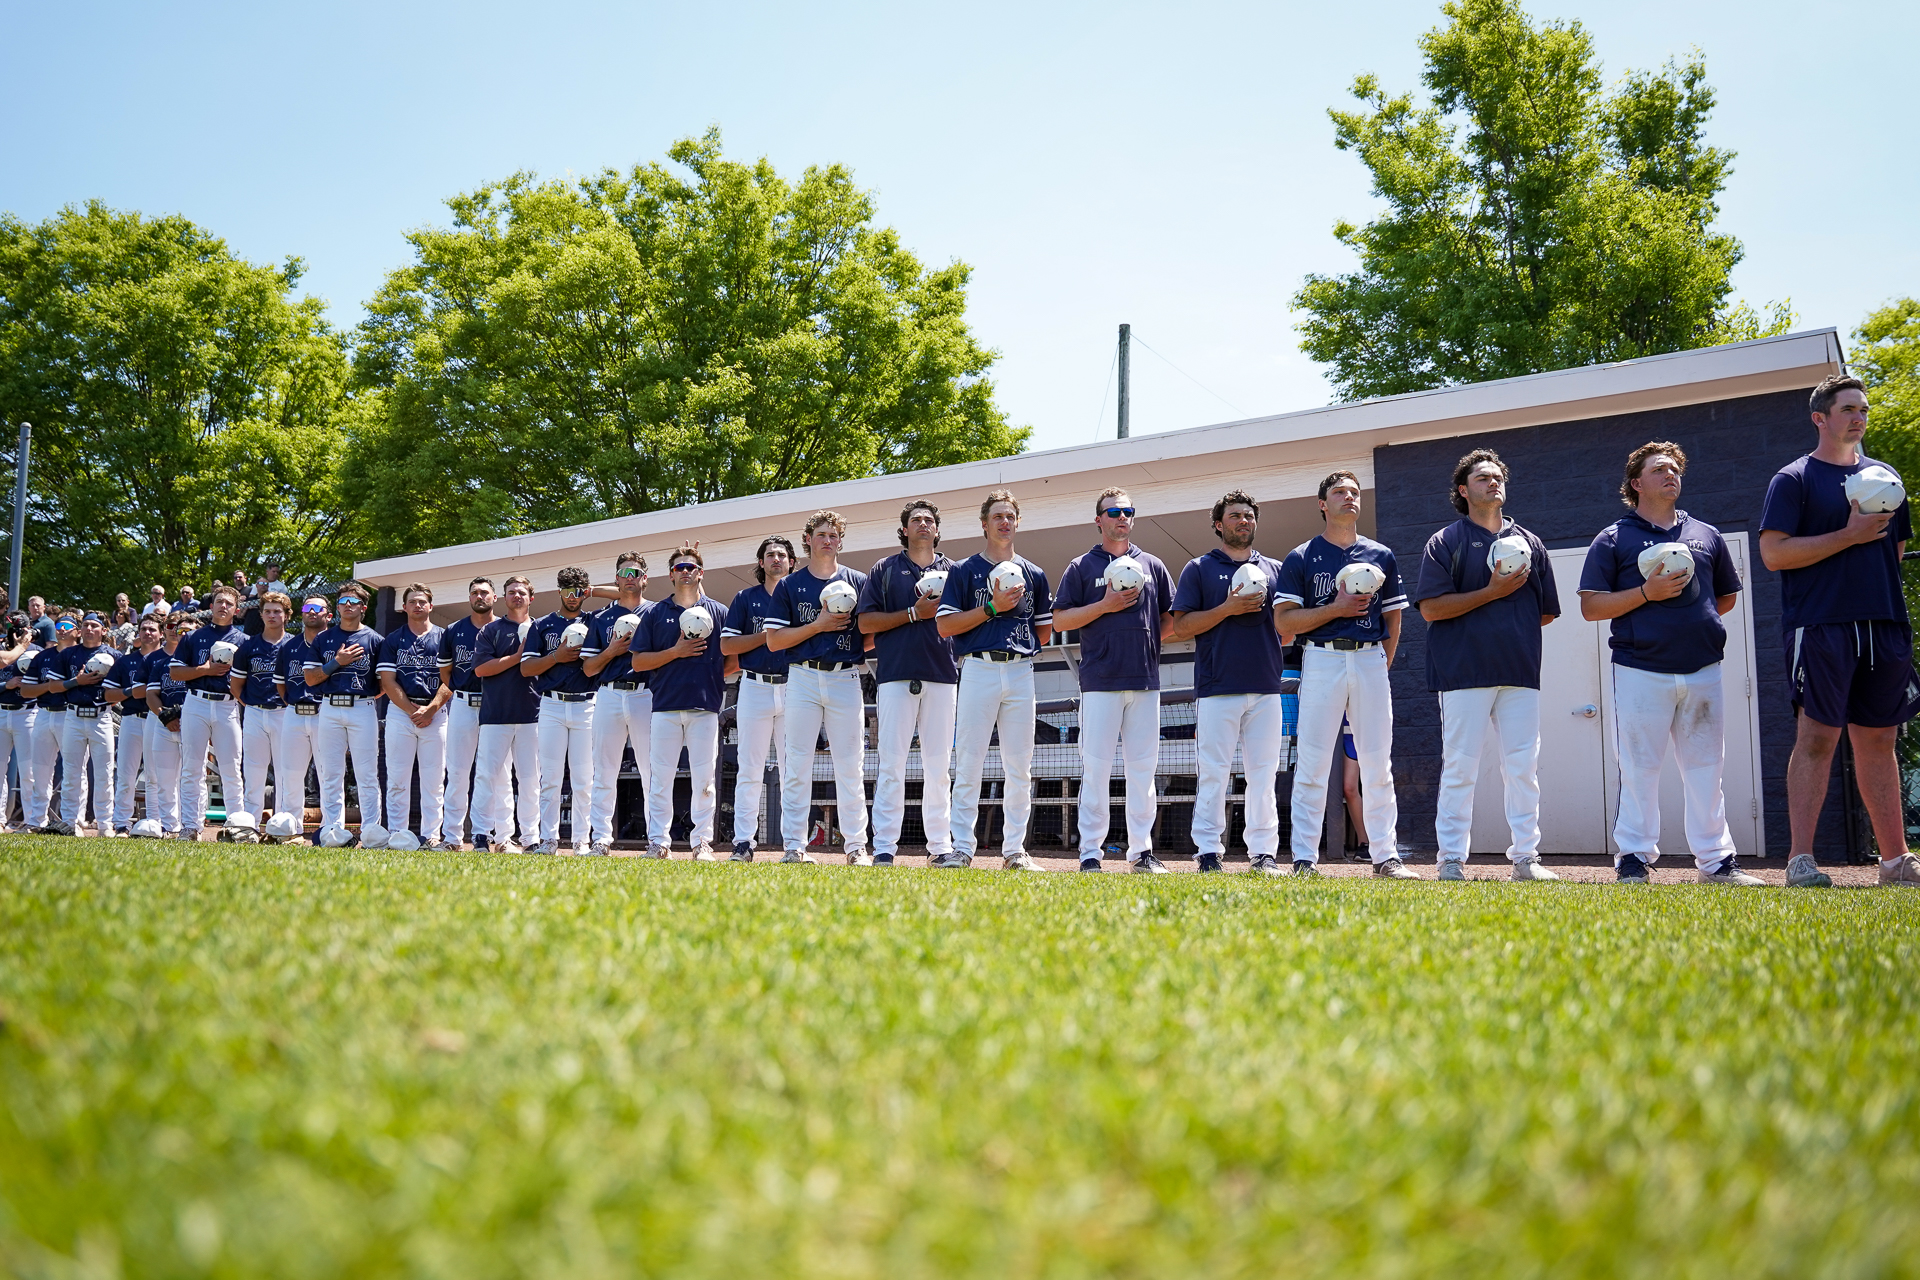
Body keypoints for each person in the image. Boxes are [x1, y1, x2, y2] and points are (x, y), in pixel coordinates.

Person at [1760, 374, 1919, 887]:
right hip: (1821, 624)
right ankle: (1801, 862)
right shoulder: (1794, 479)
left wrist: (1861, 545)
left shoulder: (1886, 477)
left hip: (1884, 624)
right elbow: (1774, 554)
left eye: (1864, 409)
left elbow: (1893, 553)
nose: (1859, 417)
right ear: (1820, 418)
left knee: (1879, 740)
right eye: (1848, 408)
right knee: (1817, 738)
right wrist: (1848, 536)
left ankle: (1896, 863)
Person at [1580, 442, 1755, 885]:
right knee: (1639, 768)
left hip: (1703, 669)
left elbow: (1726, 597)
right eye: (1660, 469)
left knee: (1706, 768)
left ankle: (1716, 862)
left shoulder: (1707, 535)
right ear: (1636, 483)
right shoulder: (1613, 538)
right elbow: (1592, 607)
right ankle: (1634, 860)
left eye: (1675, 468)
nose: (1671, 474)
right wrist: (1646, 595)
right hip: (1640, 669)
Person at [1413, 449, 1562, 882]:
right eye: (1482, 478)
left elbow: (1545, 611)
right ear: (1463, 490)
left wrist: (1505, 627)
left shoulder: (1531, 543)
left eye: (1497, 476)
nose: (1493, 482)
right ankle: (1452, 861)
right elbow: (1432, 610)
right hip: (1463, 674)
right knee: (1460, 768)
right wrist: (1492, 594)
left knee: (1523, 768)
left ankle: (1526, 860)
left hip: (1519, 673)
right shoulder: (1445, 542)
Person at [1275, 472, 1414, 878]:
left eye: (1354, 492)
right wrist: (1335, 608)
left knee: (1377, 762)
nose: (1349, 497)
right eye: (1339, 492)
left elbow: (1393, 615)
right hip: (1321, 658)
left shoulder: (1380, 554)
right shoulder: (1302, 556)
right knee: (1314, 761)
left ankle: (1386, 855)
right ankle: (1304, 858)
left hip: (1369, 657)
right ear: (1323, 503)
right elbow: (1284, 620)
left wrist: (1381, 662)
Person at [1052, 488, 1176, 873]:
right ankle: (1091, 853)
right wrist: (1104, 606)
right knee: (1097, 770)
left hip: (1144, 680)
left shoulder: (1153, 565)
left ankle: (1142, 852)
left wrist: (1147, 635)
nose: (1122, 517)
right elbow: (1059, 621)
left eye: (1128, 511)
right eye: (1114, 512)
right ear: (1099, 520)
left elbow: (1172, 619)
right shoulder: (1080, 566)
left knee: (1143, 772)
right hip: (1099, 681)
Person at [1167, 490, 1289, 876]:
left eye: (1249, 516)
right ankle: (1207, 852)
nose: (1243, 521)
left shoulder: (1275, 568)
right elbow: (1181, 626)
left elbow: (1285, 629)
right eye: (1235, 516)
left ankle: (1263, 855)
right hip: (1217, 687)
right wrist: (1228, 608)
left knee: (1264, 773)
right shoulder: (1199, 568)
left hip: (1267, 687)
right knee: (1214, 772)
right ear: (1219, 524)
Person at [938, 490, 1055, 870]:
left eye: (1010, 516)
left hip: (1021, 670)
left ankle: (1015, 851)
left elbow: (1043, 634)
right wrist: (992, 608)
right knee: (969, 762)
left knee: (1019, 765)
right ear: (984, 523)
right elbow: (944, 625)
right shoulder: (963, 570)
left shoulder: (1035, 573)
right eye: (997, 516)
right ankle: (962, 849)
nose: (1004, 522)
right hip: (979, 668)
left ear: (1017, 522)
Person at [764, 511, 872, 865]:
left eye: (834, 534)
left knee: (851, 765)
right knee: (796, 764)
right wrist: (819, 625)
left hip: (845, 676)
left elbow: (870, 635)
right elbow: (775, 641)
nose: (828, 539)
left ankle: (856, 847)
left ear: (841, 540)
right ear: (807, 539)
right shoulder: (790, 585)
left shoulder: (858, 580)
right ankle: (794, 846)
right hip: (803, 677)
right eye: (821, 533)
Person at [857, 504, 959, 867]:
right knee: (891, 764)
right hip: (896, 675)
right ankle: (884, 847)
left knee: (938, 765)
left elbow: (965, 622)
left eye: (929, 520)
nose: (923, 524)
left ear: (937, 529)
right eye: (915, 520)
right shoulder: (883, 570)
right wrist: (913, 613)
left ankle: (940, 848)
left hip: (943, 675)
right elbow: (866, 622)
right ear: (904, 529)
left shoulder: (955, 571)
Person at [629, 543, 731, 859]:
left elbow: (733, 658)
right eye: (679, 568)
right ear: (671, 575)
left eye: (691, 567)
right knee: (660, 779)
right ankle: (659, 843)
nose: (685, 572)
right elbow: (638, 663)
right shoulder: (655, 614)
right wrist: (675, 652)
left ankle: (702, 843)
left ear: (700, 573)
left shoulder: (719, 611)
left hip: (705, 708)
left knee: (705, 782)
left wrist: (712, 678)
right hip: (665, 708)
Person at [720, 539, 792, 861]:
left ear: (791, 561)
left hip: (795, 687)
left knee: (795, 770)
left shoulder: (800, 594)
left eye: (782, 555)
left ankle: (795, 845)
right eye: (770, 555)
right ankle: (744, 843)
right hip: (754, 685)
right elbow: (727, 647)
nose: (776, 559)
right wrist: (768, 636)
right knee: (750, 769)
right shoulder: (745, 598)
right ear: (761, 562)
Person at [520, 567, 598, 855]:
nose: (573, 597)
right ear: (559, 592)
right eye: (568, 591)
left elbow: (626, 595)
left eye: (579, 591)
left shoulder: (595, 620)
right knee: (550, 777)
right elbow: (526, 668)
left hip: (587, 703)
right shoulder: (542, 624)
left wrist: (594, 590)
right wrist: (557, 656)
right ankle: (549, 839)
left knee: (584, 778)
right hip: (551, 703)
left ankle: (581, 840)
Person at [302, 581, 385, 841]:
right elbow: (310, 678)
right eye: (343, 602)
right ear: (336, 608)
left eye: (354, 602)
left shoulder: (375, 639)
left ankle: (371, 831)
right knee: (331, 773)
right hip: (329, 707)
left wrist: (363, 698)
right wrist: (337, 662)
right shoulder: (324, 638)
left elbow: (384, 684)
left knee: (367, 773)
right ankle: (332, 829)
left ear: (364, 607)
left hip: (362, 707)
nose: (348, 606)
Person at [580, 553, 651, 856]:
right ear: (617, 579)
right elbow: (588, 668)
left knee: (652, 770)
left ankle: (657, 839)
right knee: (604, 770)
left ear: (644, 578)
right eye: (624, 572)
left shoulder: (657, 612)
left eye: (636, 572)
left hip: (646, 693)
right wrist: (611, 650)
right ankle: (601, 839)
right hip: (608, 693)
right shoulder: (601, 617)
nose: (630, 576)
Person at [170, 585, 248, 841]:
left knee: (231, 768)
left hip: (227, 704)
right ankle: (191, 826)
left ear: (236, 610)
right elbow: (176, 673)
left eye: (228, 603)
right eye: (219, 601)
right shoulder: (193, 637)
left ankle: (237, 825)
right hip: (196, 703)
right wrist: (204, 669)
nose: (223, 606)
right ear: (211, 606)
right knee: (192, 767)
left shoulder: (244, 641)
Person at [377, 583, 450, 848]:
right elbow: (387, 681)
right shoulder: (393, 639)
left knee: (434, 780)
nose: (418, 605)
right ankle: (397, 833)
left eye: (422, 601)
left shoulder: (445, 637)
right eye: (413, 601)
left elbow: (451, 678)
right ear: (404, 607)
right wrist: (413, 711)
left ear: (431, 606)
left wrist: (431, 709)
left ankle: (431, 836)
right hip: (400, 714)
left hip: (436, 714)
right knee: (397, 778)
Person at [473, 575, 540, 853]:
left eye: (522, 592)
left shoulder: (540, 628)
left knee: (530, 780)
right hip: (495, 715)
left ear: (530, 597)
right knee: (487, 776)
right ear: (503, 597)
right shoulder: (491, 630)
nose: (517, 596)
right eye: (511, 591)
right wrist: (517, 657)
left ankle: (531, 839)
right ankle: (480, 835)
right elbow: (481, 669)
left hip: (533, 714)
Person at [436, 578, 496, 851]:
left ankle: (488, 835)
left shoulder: (503, 628)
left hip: (495, 703)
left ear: (495, 597)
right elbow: (445, 673)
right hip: (462, 702)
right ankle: (452, 837)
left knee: (492, 772)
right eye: (474, 593)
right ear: (469, 598)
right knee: (458, 772)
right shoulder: (453, 630)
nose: (479, 596)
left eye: (484, 592)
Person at [48, 612, 117, 834]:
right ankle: (70, 822)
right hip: (73, 715)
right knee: (71, 772)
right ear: (80, 629)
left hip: (101, 716)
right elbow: (53, 686)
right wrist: (77, 681)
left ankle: (105, 824)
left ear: (104, 631)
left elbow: (121, 692)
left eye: (94, 625)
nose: (89, 629)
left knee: (104, 772)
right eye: (85, 625)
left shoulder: (114, 655)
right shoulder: (69, 654)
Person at [230, 593, 294, 826]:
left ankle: (281, 826)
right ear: (261, 615)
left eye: (277, 611)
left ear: (287, 615)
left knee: (285, 773)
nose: (272, 615)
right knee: (254, 773)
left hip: (285, 713)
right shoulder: (248, 646)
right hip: (255, 712)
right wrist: (252, 706)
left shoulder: (294, 645)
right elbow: (235, 686)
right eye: (267, 611)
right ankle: (250, 825)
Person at [272, 596, 332, 840]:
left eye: (319, 608)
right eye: (308, 607)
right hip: (295, 713)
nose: (312, 612)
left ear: (329, 614)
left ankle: (330, 829)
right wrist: (293, 704)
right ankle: (290, 829)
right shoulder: (289, 646)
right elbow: (281, 687)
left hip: (325, 712)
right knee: (290, 775)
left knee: (329, 773)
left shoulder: (335, 642)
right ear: (301, 613)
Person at [106, 614, 163, 836]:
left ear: (160, 633)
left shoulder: (167, 658)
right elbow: (108, 694)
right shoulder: (126, 661)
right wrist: (130, 692)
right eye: (144, 629)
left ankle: (155, 822)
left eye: (152, 629)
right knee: (126, 774)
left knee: (155, 775)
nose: (148, 632)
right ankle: (121, 822)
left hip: (157, 719)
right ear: (138, 633)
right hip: (131, 718)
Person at [141, 613, 195, 837]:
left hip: (192, 722)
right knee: (164, 778)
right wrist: (166, 716)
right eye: (172, 626)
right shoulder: (159, 662)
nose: (177, 632)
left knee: (192, 776)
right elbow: (151, 695)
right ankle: (169, 826)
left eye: (184, 629)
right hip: (164, 723)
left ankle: (192, 826)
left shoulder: (200, 659)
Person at [21, 617, 77, 833]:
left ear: (76, 631)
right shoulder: (43, 656)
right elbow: (26, 691)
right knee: (40, 770)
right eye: (58, 627)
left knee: (75, 770)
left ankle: (74, 821)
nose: (61, 630)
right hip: (43, 713)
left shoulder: (80, 655)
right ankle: (36, 820)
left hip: (70, 715)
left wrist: (55, 687)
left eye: (66, 627)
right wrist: (53, 686)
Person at [0, 614, 38, 831]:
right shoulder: (3, 650)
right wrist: (7, 685)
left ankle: (31, 820)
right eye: (13, 628)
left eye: (22, 628)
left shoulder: (38, 652)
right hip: (1, 709)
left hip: (28, 713)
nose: (17, 632)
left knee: (29, 770)